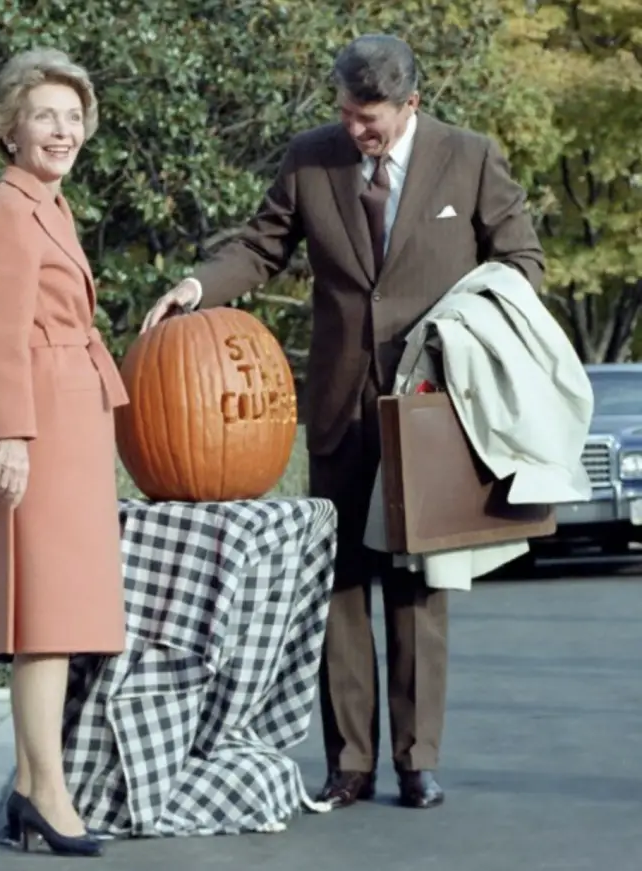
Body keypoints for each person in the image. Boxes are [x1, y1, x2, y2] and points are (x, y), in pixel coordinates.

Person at [142, 34, 544, 810]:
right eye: (348, 114)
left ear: (411, 104)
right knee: (340, 586)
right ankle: (350, 762)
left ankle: (417, 758)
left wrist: (468, 335)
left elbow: (520, 260)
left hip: (431, 405)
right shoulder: (309, 158)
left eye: (372, 119)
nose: (356, 130)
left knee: (417, 586)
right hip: (338, 405)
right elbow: (261, 247)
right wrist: (198, 287)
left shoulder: (470, 157)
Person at [0, 48, 130, 857]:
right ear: (9, 128)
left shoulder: (49, 206)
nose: (63, 130)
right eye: (44, 116)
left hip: (73, 422)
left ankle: (34, 784)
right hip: (41, 429)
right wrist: (10, 436)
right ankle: (46, 792)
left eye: (72, 117)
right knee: (44, 620)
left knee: (55, 617)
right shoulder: (8, 212)